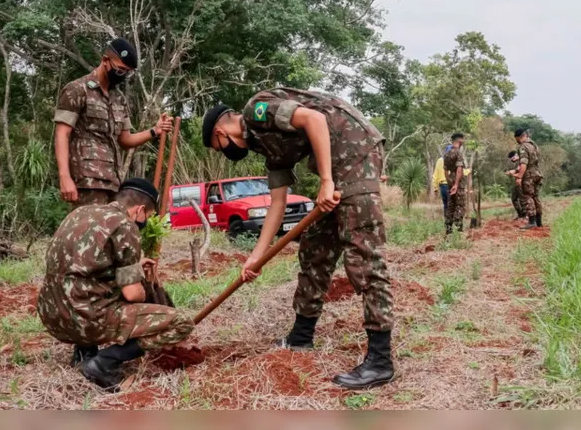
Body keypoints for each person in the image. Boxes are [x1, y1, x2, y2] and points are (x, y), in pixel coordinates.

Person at [201, 88, 394, 390]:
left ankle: (381, 361)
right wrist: (256, 256)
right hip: (335, 166)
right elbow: (277, 204)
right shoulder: (267, 150)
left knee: (362, 252)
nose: (222, 151)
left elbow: (314, 118)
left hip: (356, 152)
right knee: (314, 249)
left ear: (220, 131)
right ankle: (301, 337)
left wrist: (327, 182)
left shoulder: (256, 111)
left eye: (217, 146)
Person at [37, 178, 195, 391]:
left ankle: (84, 352)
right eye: (147, 217)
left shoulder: (78, 213)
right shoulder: (124, 225)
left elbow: (85, 265)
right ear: (140, 210)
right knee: (182, 322)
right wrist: (142, 281)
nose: (144, 221)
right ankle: (104, 362)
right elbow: (133, 295)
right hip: (85, 320)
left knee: (87, 286)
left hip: (52, 317)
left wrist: (133, 266)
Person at [54, 38, 172, 209]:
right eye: (120, 70)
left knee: (112, 232)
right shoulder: (77, 90)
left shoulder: (119, 99)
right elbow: (62, 134)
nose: (123, 75)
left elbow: (125, 140)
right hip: (87, 180)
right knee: (90, 232)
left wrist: (154, 131)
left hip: (113, 182)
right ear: (105, 61)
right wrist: (64, 177)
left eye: (127, 72)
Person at [514, 128, 544, 229]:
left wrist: (519, 177)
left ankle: (532, 221)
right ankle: (539, 222)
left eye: (516, 139)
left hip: (529, 174)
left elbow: (524, 163)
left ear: (519, 137)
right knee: (535, 196)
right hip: (537, 173)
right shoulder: (534, 145)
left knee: (527, 196)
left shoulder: (523, 147)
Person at [443, 134, 467, 235]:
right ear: (459, 141)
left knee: (450, 205)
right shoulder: (458, 153)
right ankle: (459, 229)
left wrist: (449, 182)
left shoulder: (447, 154)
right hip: (458, 181)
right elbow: (459, 169)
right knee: (459, 204)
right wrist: (456, 184)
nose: (463, 142)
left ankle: (448, 229)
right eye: (462, 140)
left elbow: (445, 170)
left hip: (450, 179)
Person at [432, 145, 453, 215]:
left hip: (443, 186)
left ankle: (447, 223)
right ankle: (451, 222)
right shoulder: (453, 161)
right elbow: (460, 172)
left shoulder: (439, 160)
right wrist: (468, 171)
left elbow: (435, 176)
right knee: (452, 205)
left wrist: (435, 188)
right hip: (450, 185)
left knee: (446, 205)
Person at [506, 151, 526, 220]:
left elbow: (521, 171)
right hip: (517, 182)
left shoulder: (522, 161)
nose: (512, 160)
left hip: (522, 182)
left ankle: (524, 215)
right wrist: (511, 172)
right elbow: (516, 170)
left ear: (516, 156)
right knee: (514, 198)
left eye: (512, 158)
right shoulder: (517, 163)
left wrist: (512, 173)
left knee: (522, 199)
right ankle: (520, 215)